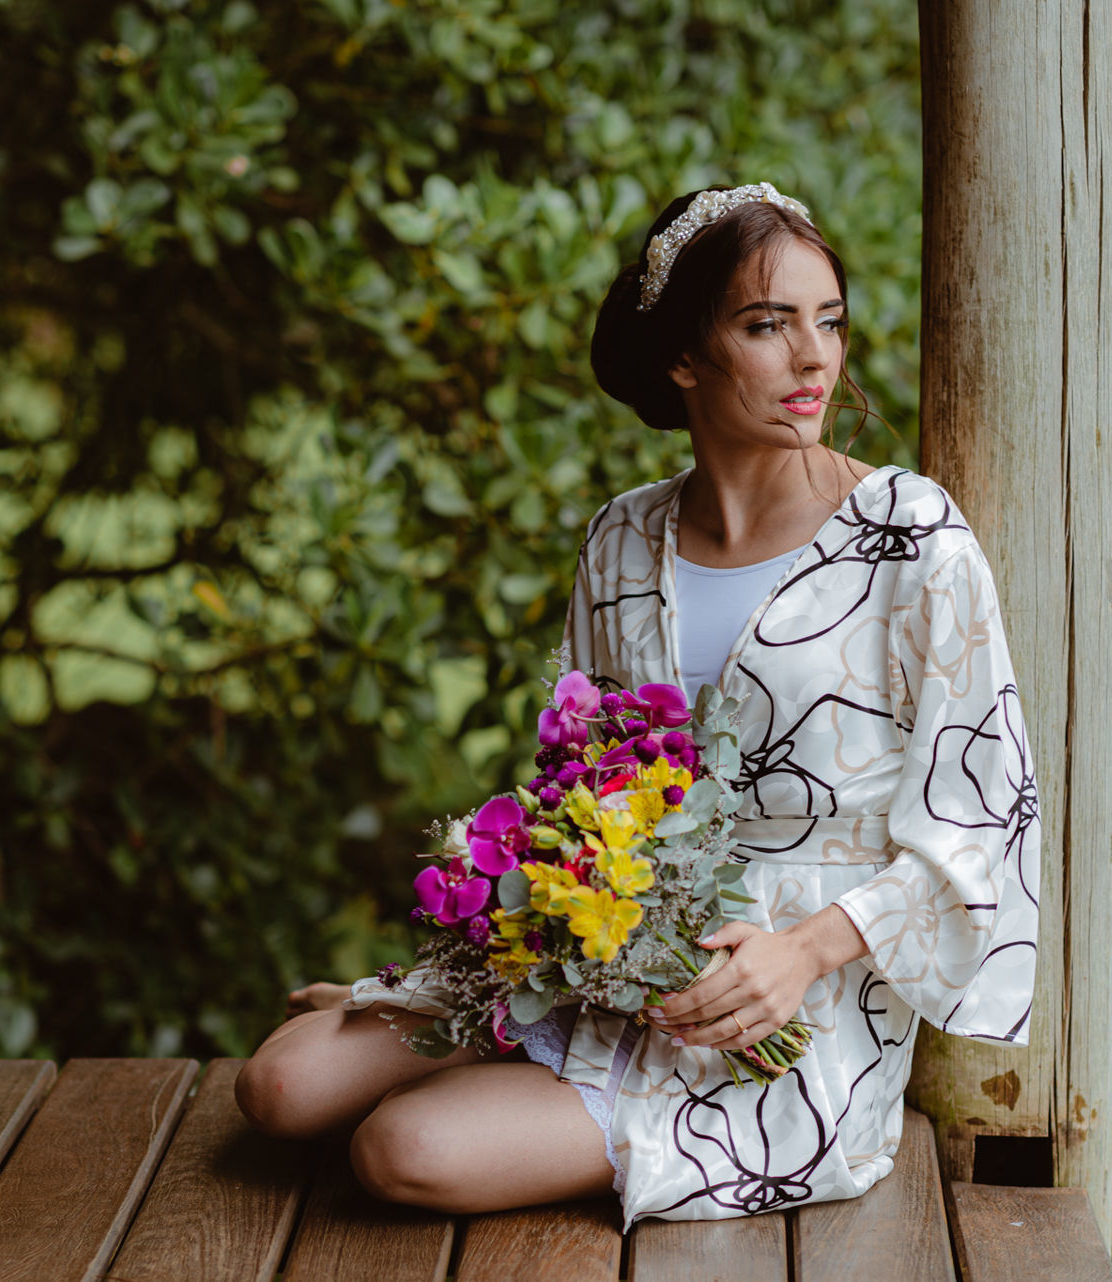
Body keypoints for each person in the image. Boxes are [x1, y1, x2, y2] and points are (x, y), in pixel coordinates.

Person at [236, 183, 1041, 1232]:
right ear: (683, 357)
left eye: (829, 321)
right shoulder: (624, 538)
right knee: (280, 1086)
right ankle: (508, 1049)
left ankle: (556, 1102)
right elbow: (583, 788)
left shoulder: (909, 535)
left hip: (782, 1009)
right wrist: (503, 941)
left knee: (402, 1150)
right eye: (768, 324)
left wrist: (805, 949)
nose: (814, 358)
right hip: (610, 945)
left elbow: (986, 816)